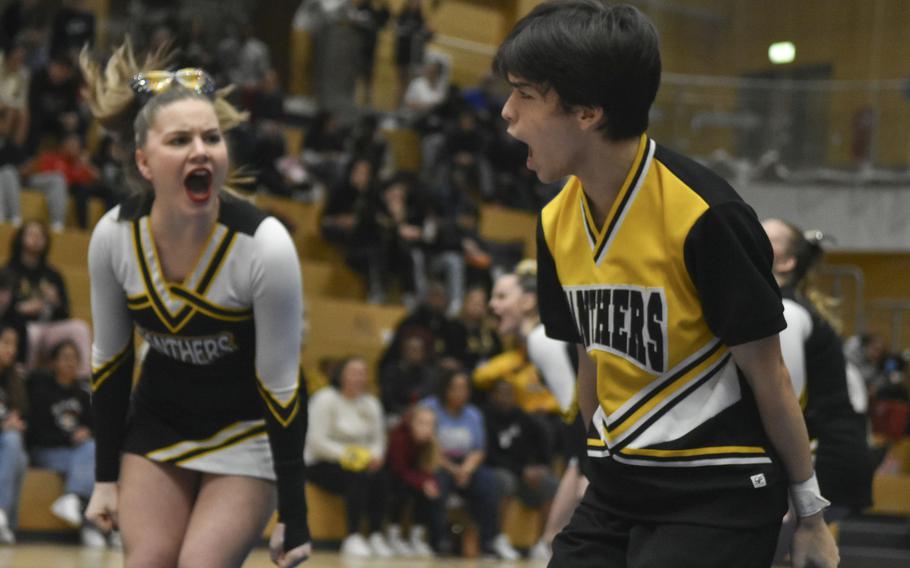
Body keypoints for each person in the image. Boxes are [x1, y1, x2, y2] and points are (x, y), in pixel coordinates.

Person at [495, 3, 839, 567]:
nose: (507, 113)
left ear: (587, 110)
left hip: (717, 492)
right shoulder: (555, 220)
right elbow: (591, 359)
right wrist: (593, 467)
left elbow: (769, 374)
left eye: (525, 94)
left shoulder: (709, 215)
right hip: (616, 489)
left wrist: (810, 515)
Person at [79, 41, 310, 567]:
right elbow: (111, 363)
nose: (200, 150)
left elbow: (282, 390)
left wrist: (293, 515)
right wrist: (104, 480)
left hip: (247, 430)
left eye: (211, 137)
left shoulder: (265, 246)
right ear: (143, 161)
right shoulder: (113, 237)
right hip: (159, 421)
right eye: (179, 140)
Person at [762, 219, 874, 559]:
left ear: (786, 262)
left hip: (824, 459)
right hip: (816, 456)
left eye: (765, 237)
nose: (749, 238)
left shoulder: (787, 311)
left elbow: (782, 400)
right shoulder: (778, 307)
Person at [421, 368, 519, 559]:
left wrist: (465, 469)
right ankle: (439, 540)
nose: (460, 393)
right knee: (437, 483)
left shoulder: (473, 414)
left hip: (466, 465)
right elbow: (429, 445)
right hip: (437, 462)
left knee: (489, 483)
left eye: (464, 388)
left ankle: (489, 541)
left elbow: (479, 450)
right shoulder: (430, 407)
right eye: (455, 388)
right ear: (444, 389)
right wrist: (453, 469)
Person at [304, 357, 390, 558]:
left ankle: (376, 534)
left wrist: (374, 456)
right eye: (354, 372)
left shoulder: (371, 403)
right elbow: (317, 441)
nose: (359, 378)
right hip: (322, 462)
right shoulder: (325, 399)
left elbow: (379, 440)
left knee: (382, 477)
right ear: (341, 375)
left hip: (362, 462)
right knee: (357, 477)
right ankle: (352, 536)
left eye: (363, 373)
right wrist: (351, 456)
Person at [25, 339, 106, 547]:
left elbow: (97, 427)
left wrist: (85, 432)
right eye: (65, 358)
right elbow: (37, 434)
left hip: (76, 455)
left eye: (74, 359)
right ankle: (90, 524)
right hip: (47, 451)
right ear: (53, 363)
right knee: (91, 458)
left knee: (97, 455)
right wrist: (68, 438)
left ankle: (76, 504)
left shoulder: (83, 393)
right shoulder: (42, 391)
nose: (71, 363)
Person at [6, 220, 92, 374]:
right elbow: (3, 311)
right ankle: (25, 378)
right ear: (21, 238)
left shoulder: (53, 274)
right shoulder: (8, 271)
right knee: (31, 333)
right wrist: (22, 309)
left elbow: (66, 312)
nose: (36, 239)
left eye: (40, 235)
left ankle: (83, 380)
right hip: (23, 327)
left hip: (49, 326)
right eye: (32, 234)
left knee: (80, 328)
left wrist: (56, 302)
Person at [0, 323, 26, 544]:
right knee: (13, 446)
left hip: (7, 444)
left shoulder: (14, 380)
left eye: (14, 344)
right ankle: (5, 519)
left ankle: (3, 517)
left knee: (17, 450)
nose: (11, 349)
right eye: (5, 342)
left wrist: (17, 423)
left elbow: (23, 416)